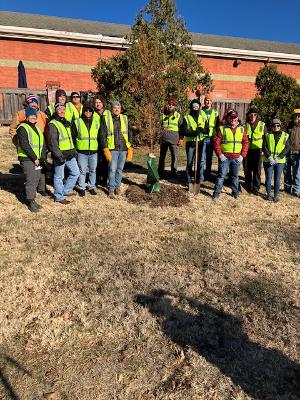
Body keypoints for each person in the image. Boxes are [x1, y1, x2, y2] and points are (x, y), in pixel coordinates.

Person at [9, 94, 48, 196]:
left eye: (35, 102)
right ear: (27, 103)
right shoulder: (21, 114)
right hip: (27, 148)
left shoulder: (42, 115)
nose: (34, 104)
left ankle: (41, 188)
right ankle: (31, 192)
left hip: (40, 146)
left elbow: (46, 129)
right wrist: (19, 143)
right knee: (31, 172)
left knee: (42, 169)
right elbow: (13, 129)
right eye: (31, 102)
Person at [47, 103, 80, 204]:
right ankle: (59, 197)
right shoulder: (53, 124)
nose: (62, 111)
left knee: (76, 173)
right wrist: (58, 155)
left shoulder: (66, 122)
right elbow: (52, 142)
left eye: (63, 109)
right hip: (60, 155)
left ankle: (65, 191)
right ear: (56, 111)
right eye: (59, 109)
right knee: (59, 176)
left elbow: (70, 139)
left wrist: (74, 151)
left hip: (70, 153)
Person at [212, 110, 248, 201]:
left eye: (234, 118)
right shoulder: (222, 129)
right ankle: (216, 194)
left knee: (235, 176)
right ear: (228, 118)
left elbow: (245, 143)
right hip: (225, 158)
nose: (233, 119)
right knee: (221, 176)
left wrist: (242, 156)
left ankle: (235, 192)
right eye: (231, 118)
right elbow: (216, 143)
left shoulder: (241, 129)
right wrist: (220, 154)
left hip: (236, 158)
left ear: (237, 118)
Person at [100, 100, 133, 198]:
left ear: (120, 109)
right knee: (112, 169)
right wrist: (105, 148)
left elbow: (130, 132)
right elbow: (103, 134)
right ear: (111, 109)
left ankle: (117, 187)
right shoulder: (106, 118)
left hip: (123, 148)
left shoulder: (125, 118)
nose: (116, 109)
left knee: (119, 169)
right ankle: (111, 188)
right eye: (115, 108)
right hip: (112, 148)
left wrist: (130, 146)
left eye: (118, 108)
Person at [16, 108, 46, 212]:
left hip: (37, 159)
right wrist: (34, 158)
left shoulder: (37, 129)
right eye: (31, 116)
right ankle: (30, 201)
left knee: (36, 178)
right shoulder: (22, 127)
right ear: (27, 117)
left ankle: (33, 199)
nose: (33, 117)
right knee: (31, 180)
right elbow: (25, 144)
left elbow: (42, 144)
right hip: (28, 159)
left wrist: (41, 157)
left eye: (34, 116)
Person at [72, 103, 100, 197]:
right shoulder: (77, 122)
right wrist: (75, 149)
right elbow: (73, 136)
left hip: (93, 151)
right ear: (83, 111)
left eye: (90, 111)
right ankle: (81, 187)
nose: (88, 112)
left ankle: (91, 187)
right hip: (82, 151)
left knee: (93, 170)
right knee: (82, 170)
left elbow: (99, 136)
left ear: (92, 112)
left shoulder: (97, 122)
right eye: (86, 110)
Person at [180, 99, 207, 187]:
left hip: (200, 143)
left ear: (199, 107)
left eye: (197, 106)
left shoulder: (203, 117)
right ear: (191, 107)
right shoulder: (186, 118)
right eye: (193, 106)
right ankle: (187, 179)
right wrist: (193, 133)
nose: (195, 108)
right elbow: (183, 131)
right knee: (190, 162)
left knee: (199, 162)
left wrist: (201, 130)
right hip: (191, 144)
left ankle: (197, 179)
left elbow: (207, 130)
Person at [263, 118, 289, 202]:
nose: (276, 127)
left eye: (278, 125)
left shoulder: (285, 135)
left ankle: (276, 195)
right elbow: (264, 146)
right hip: (268, 160)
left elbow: (287, 147)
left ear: (280, 126)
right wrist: (269, 157)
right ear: (272, 126)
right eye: (274, 125)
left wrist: (279, 157)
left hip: (279, 161)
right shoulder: (267, 135)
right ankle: (268, 195)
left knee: (277, 179)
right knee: (268, 178)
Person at [243, 106, 267, 194]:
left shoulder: (262, 124)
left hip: (258, 151)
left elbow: (265, 139)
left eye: (254, 115)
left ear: (257, 115)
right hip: (248, 150)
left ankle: (256, 188)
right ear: (248, 115)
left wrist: (264, 150)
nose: (253, 116)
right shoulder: (245, 125)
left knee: (257, 170)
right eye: (251, 115)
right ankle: (248, 186)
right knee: (247, 169)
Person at [158, 98, 182, 177]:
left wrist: (181, 138)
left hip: (174, 139)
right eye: (169, 104)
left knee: (174, 156)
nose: (171, 106)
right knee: (162, 156)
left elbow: (181, 128)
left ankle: (174, 172)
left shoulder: (178, 116)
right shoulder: (163, 115)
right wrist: (159, 137)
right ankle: (160, 171)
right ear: (167, 105)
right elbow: (159, 127)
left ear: (175, 106)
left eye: (172, 105)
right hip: (164, 139)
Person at [199, 96, 219, 181]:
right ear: (204, 102)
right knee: (202, 158)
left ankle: (208, 174)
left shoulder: (215, 113)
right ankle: (201, 176)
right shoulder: (200, 112)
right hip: (203, 137)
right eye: (206, 100)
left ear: (211, 102)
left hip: (211, 138)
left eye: (209, 101)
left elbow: (217, 126)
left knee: (209, 158)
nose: (208, 102)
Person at [93, 95, 110, 185]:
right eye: (96, 102)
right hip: (96, 141)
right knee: (97, 161)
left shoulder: (108, 113)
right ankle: (97, 178)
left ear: (103, 103)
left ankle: (105, 178)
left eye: (99, 102)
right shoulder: (93, 114)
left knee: (106, 160)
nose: (98, 104)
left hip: (107, 141)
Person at [284, 109, 300, 197]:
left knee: (297, 173)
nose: (297, 118)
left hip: (297, 153)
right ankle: (287, 188)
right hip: (287, 152)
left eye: (299, 116)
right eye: (295, 116)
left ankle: (296, 190)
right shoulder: (289, 127)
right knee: (286, 172)